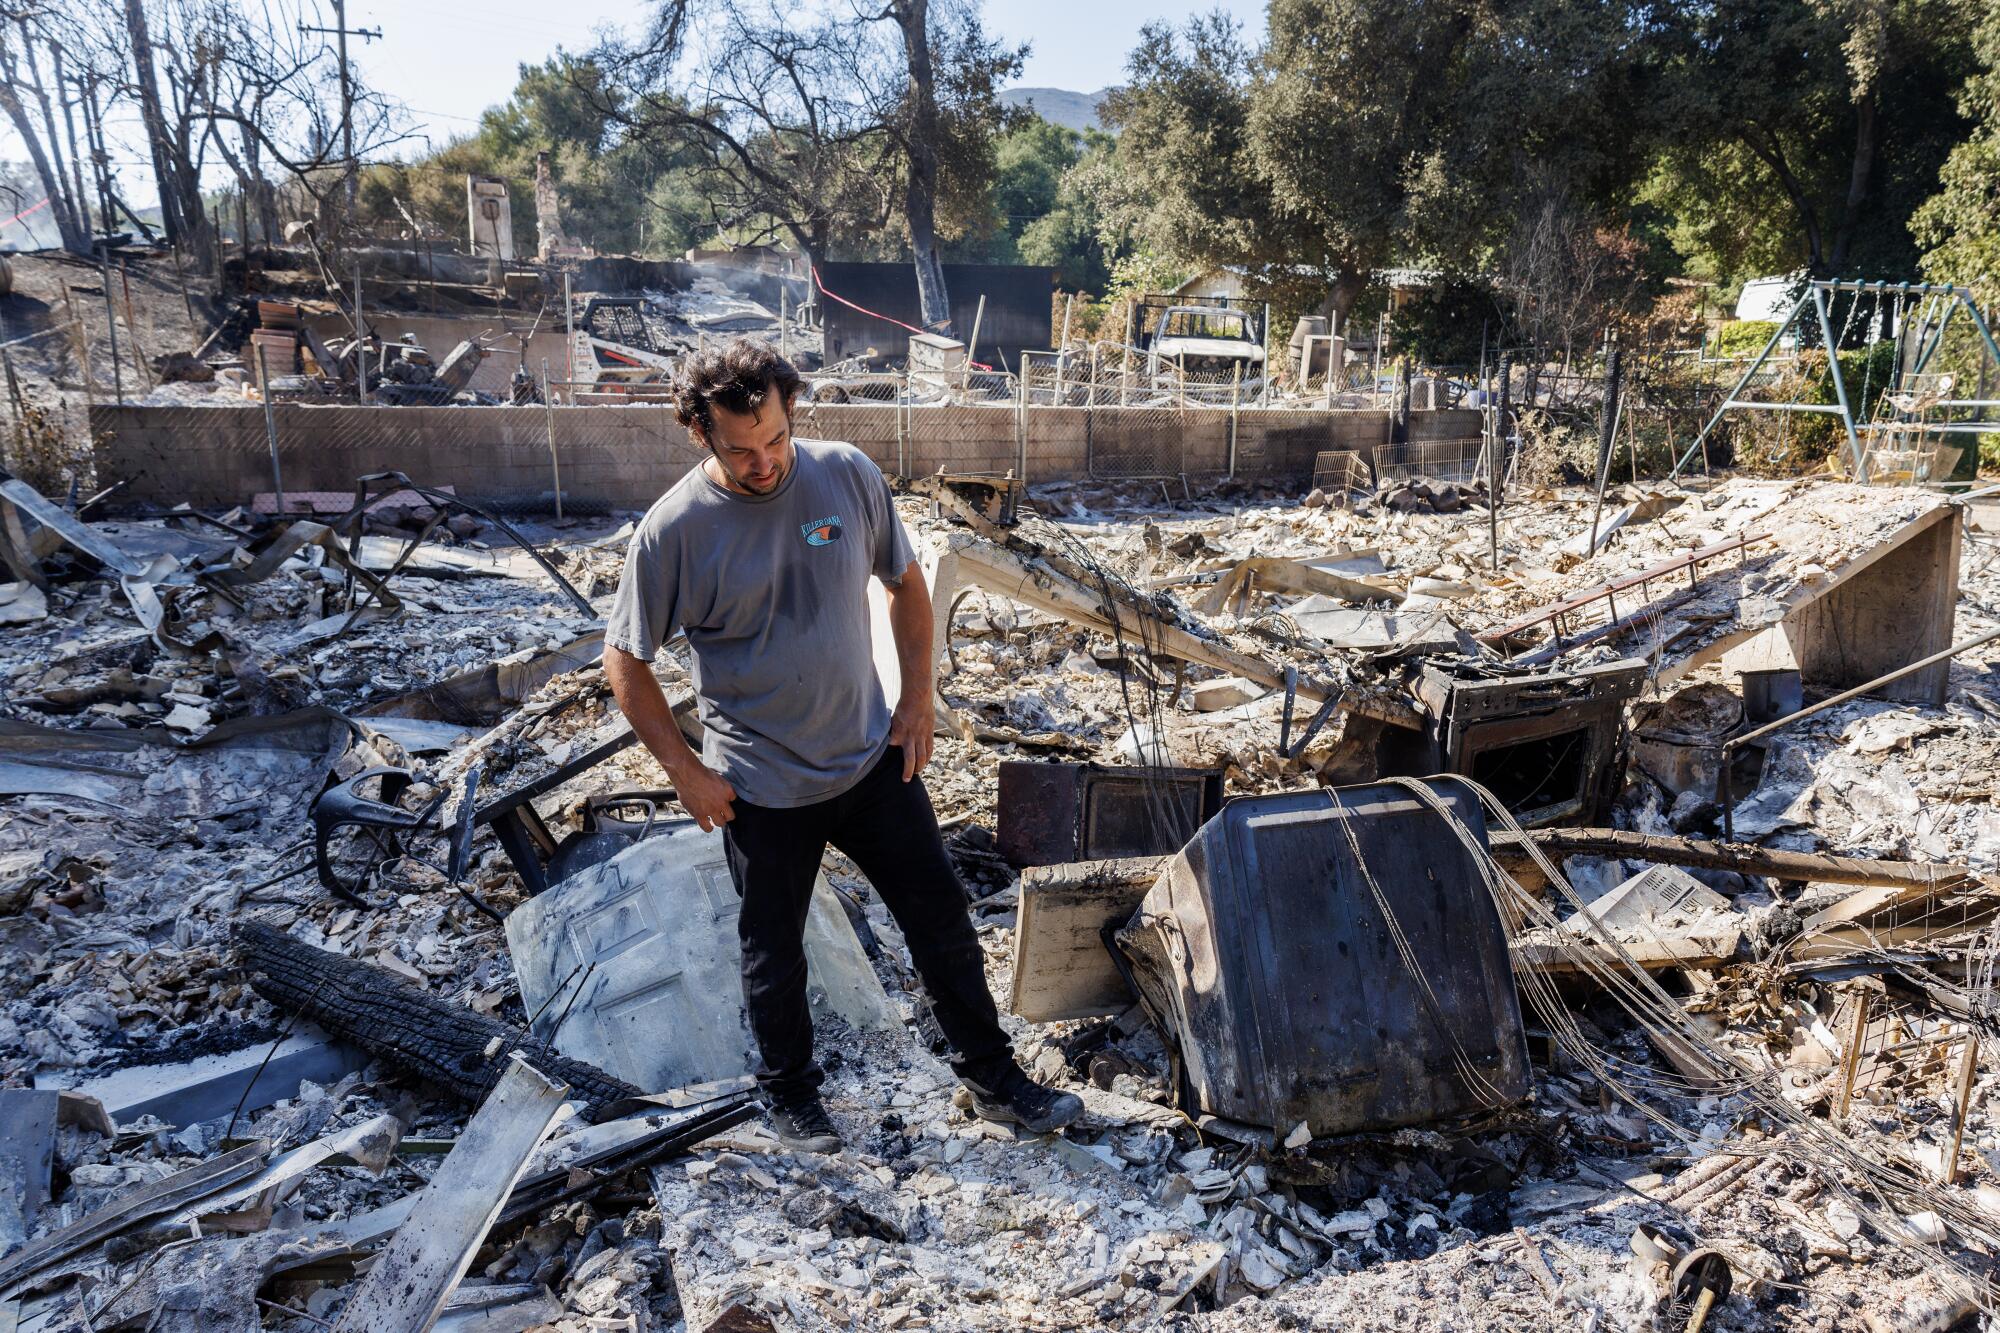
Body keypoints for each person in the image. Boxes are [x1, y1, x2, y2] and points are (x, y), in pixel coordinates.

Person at [601, 339, 1083, 1154]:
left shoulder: (846, 475)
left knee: (940, 922)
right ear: (699, 434)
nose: (764, 463)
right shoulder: (672, 533)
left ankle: (995, 1079)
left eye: (776, 440)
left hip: (869, 760)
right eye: (741, 450)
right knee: (774, 954)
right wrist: (685, 772)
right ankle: (791, 1097)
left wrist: (917, 699)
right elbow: (625, 658)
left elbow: (907, 584)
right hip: (760, 786)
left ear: (792, 412)